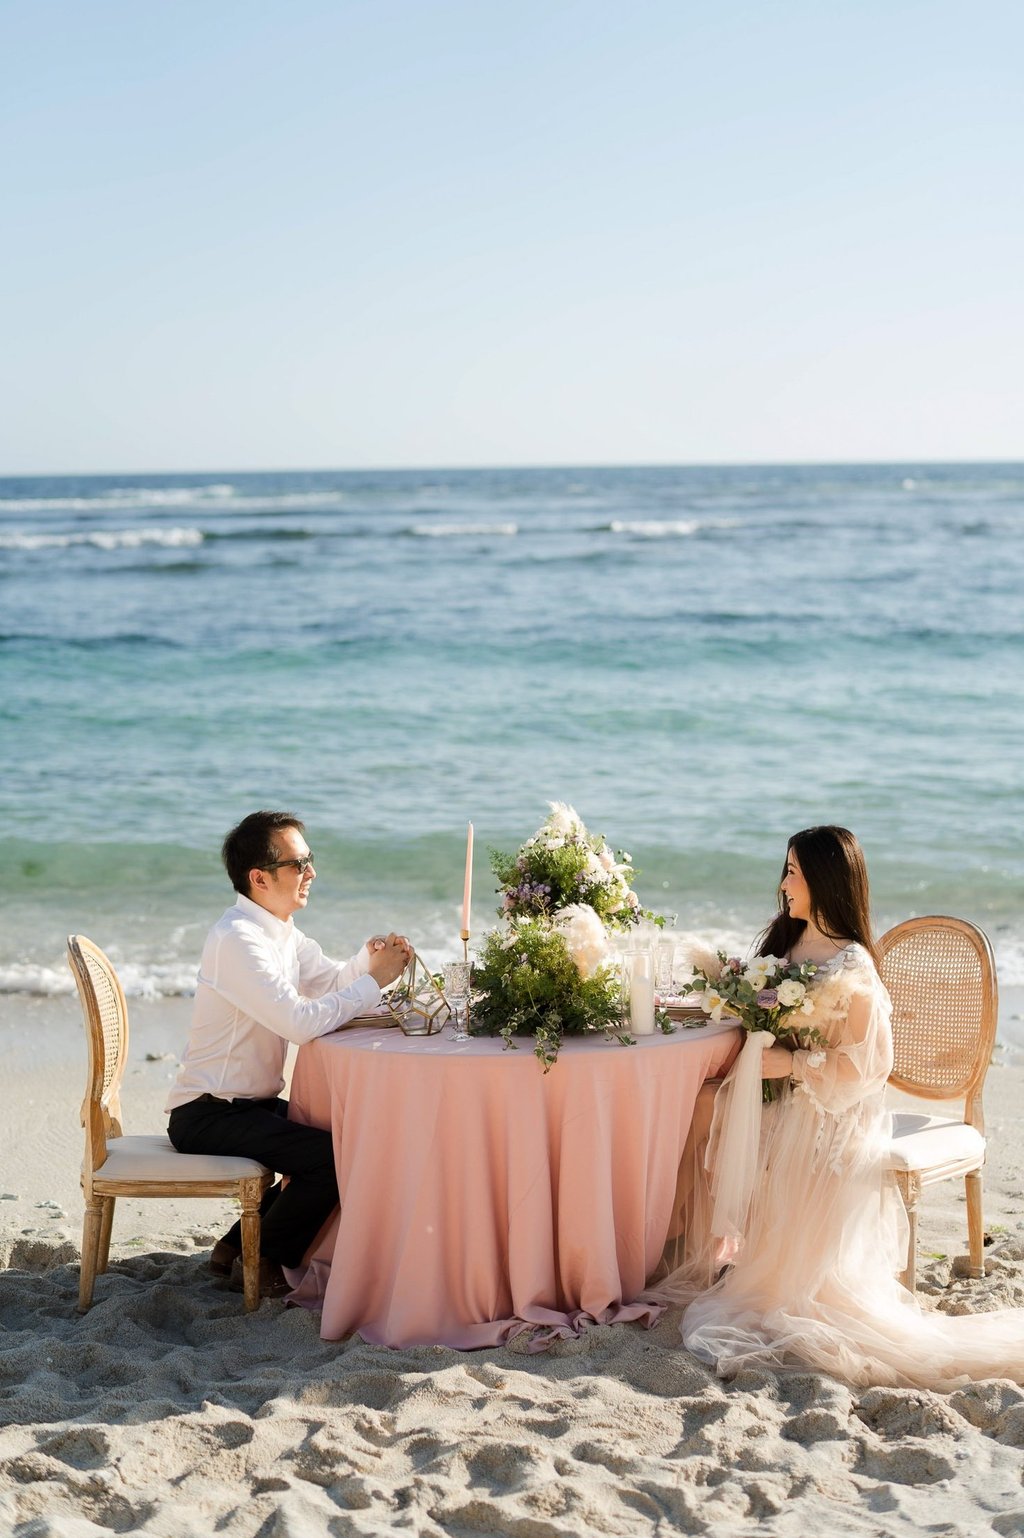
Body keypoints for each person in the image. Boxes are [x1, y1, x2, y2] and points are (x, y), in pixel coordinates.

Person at [656, 825, 1024, 1389]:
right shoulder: (785, 944)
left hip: (830, 1114)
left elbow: (867, 1069)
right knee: (699, 1102)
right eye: (784, 869)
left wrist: (794, 1067)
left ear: (824, 880)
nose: (783, 883)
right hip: (786, 1099)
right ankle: (675, 1245)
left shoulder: (853, 966)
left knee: (715, 1111)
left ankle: (722, 1255)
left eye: (793, 872)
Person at [166, 810, 411, 1298]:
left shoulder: (280, 933)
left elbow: (329, 983)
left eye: (309, 860)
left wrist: (368, 961)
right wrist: (373, 981)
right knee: (334, 1158)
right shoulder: (237, 938)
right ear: (259, 877)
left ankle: (233, 1246)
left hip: (247, 1105)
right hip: (208, 1112)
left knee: (347, 1133)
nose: (311, 873)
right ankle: (266, 1257)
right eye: (299, 863)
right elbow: (300, 1023)